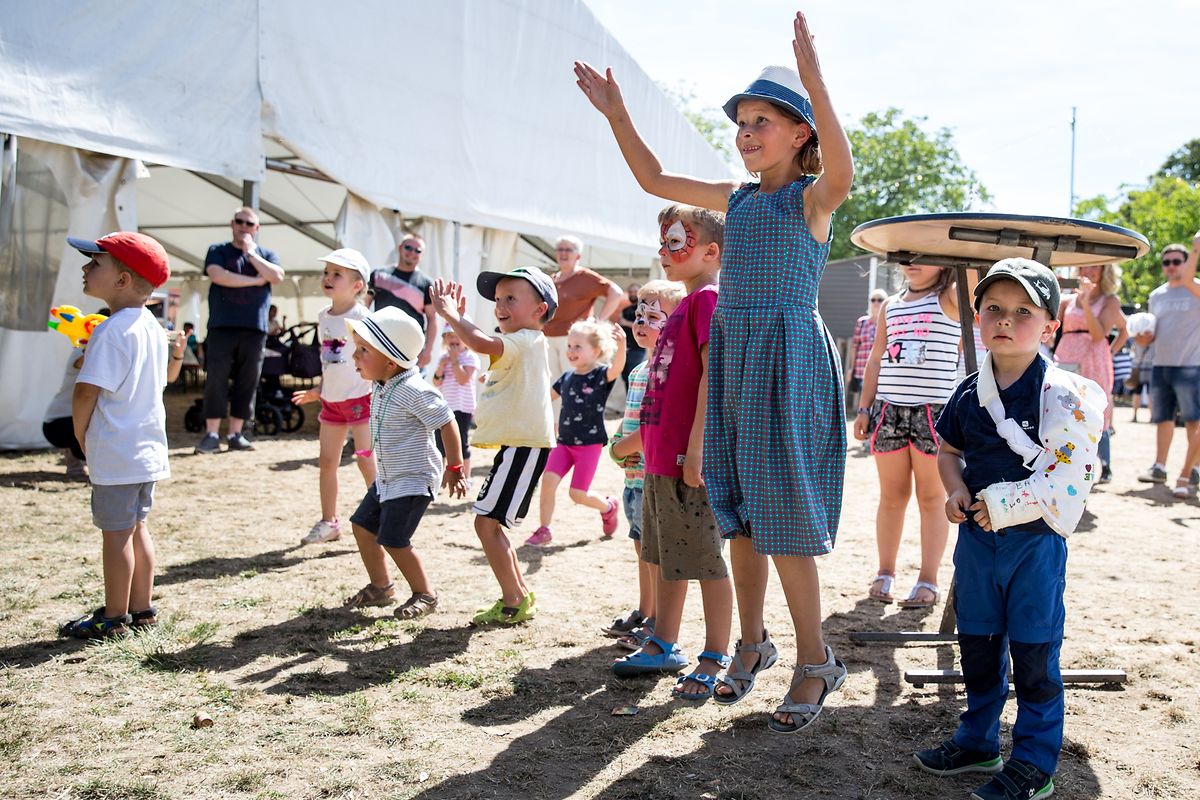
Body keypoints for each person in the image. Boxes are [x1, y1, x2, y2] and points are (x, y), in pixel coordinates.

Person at [577, 13, 854, 730]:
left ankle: (814, 661)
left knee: (785, 518)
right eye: (741, 121)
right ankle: (753, 645)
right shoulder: (735, 199)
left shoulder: (809, 200)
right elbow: (651, 177)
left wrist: (816, 82)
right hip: (733, 360)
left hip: (787, 361)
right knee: (738, 513)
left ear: (801, 134)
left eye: (764, 120)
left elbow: (845, 172)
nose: (746, 131)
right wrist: (618, 115)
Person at [915, 258, 1105, 800]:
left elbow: (1073, 477)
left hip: (1035, 544)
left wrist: (1008, 504)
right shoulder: (967, 391)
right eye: (993, 308)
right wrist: (953, 490)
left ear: (1050, 326)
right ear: (977, 319)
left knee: (1035, 652)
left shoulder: (1067, 396)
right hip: (976, 543)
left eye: (1023, 311)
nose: (1005, 319)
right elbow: (949, 452)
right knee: (977, 642)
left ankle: (1034, 761)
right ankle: (978, 739)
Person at [600, 203, 732, 706]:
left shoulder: (707, 300)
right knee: (668, 557)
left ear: (711, 250)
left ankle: (716, 652)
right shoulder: (684, 304)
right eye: (663, 241)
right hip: (657, 461)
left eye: (676, 241)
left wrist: (696, 446)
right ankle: (663, 641)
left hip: (684, 462)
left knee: (704, 561)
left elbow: (711, 378)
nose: (664, 250)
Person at [58, 232, 185, 638]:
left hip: (115, 451)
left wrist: (81, 437)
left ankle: (113, 618)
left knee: (116, 537)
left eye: (95, 263)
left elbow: (85, 392)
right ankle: (142, 608)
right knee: (138, 528)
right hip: (147, 451)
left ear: (122, 280)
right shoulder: (151, 326)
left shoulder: (111, 331)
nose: (85, 268)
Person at [429, 267, 558, 625]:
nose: (500, 305)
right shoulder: (524, 341)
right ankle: (517, 595)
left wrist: (453, 315)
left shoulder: (525, 339)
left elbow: (482, 343)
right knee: (490, 523)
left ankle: (514, 599)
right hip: (518, 445)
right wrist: (461, 317)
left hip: (524, 446)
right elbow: (486, 343)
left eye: (511, 298)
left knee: (486, 524)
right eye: (497, 299)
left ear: (540, 309)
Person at [339, 306, 467, 617]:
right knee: (361, 526)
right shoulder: (382, 383)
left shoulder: (414, 390)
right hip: (388, 478)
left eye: (363, 350)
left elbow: (447, 421)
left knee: (394, 539)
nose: (355, 357)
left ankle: (426, 593)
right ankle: (382, 587)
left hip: (413, 479)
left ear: (390, 359)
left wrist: (455, 467)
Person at [855, 265, 968, 609]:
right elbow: (876, 358)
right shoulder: (890, 304)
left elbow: (974, 278)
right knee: (892, 496)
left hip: (934, 412)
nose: (912, 261)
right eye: (906, 254)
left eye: (922, 254)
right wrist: (864, 407)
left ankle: (928, 579)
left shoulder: (949, 297)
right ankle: (885, 571)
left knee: (931, 498)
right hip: (889, 410)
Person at [606, 279, 687, 645]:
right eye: (639, 313)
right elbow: (631, 418)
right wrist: (619, 445)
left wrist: (621, 448)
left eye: (653, 316)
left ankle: (657, 622)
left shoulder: (668, 370)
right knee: (641, 547)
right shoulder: (639, 370)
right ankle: (645, 610)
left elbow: (654, 428)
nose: (640, 322)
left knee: (655, 553)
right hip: (634, 479)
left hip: (651, 474)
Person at [290, 249, 377, 545]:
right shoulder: (322, 317)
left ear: (357, 285)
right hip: (332, 403)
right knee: (327, 462)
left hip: (361, 401)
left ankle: (382, 516)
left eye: (336, 274)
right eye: (327, 272)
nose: (328, 278)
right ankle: (329, 522)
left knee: (365, 460)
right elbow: (329, 360)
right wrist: (319, 390)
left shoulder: (364, 317)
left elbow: (373, 358)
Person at [528, 319, 626, 546]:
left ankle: (608, 506)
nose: (570, 351)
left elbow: (617, 368)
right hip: (563, 443)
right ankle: (544, 529)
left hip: (589, 445)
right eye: (569, 346)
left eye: (577, 347)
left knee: (577, 494)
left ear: (595, 351)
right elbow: (543, 398)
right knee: (548, 482)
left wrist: (621, 346)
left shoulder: (601, 375)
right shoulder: (566, 378)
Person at [195, 207, 285, 454]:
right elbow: (218, 275)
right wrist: (256, 280)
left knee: (248, 380)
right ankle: (211, 433)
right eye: (239, 221)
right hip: (222, 326)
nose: (244, 226)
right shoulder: (218, 250)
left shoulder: (265, 254)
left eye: (249, 223)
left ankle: (236, 433)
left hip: (255, 328)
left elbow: (276, 276)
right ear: (232, 223)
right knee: (216, 379)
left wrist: (252, 255)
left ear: (257, 229)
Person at [1137, 236, 1200, 499]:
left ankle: (1193, 469)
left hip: (1191, 365)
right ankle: (1160, 466)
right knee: (1162, 419)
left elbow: (1187, 279)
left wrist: (1196, 246)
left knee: (1193, 421)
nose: (1171, 266)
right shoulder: (1156, 295)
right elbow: (1151, 333)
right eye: (1167, 262)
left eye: (1177, 261)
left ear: (1187, 263)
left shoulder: (1195, 288)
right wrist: (1142, 338)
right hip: (1161, 364)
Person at [1054, 264, 1127, 483]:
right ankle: (1066, 466)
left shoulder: (1110, 301)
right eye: (1086, 265)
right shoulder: (1067, 300)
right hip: (1066, 358)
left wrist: (1110, 352)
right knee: (1063, 411)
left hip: (1093, 360)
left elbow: (1098, 335)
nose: (1089, 270)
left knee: (1094, 413)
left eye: (1096, 266)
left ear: (1105, 271)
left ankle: (1098, 465)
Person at [543, 235, 626, 382]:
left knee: (572, 384)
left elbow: (616, 293)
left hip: (573, 340)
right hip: (547, 338)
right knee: (551, 386)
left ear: (578, 255)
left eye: (568, 249)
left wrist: (598, 320)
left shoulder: (585, 277)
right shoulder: (552, 279)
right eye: (560, 249)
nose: (563, 253)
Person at [369, 233, 439, 368]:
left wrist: (428, 351)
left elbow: (432, 319)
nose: (412, 252)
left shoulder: (426, 284)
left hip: (411, 349)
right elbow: (363, 306)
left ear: (422, 254)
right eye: (408, 247)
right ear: (400, 247)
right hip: (379, 342)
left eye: (417, 250)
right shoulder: (378, 275)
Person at [431, 328, 480, 486]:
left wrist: (454, 360)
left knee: (462, 442)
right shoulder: (443, 357)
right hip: (445, 406)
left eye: (457, 336)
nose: (453, 340)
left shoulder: (470, 357)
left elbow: (463, 379)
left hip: (463, 408)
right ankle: (440, 477)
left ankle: (466, 477)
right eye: (449, 336)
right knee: (440, 443)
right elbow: (436, 382)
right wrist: (440, 366)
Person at [847, 288, 887, 411]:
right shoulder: (862, 322)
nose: (876, 303)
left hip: (880, 370)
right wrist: (851, 368)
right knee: (864, 403)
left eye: (880, 300)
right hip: (861, 369)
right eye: (873, 300)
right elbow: (855, 346)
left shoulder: (887, 321)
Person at [1126, 311, 1156, 423]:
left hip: (1136, 368)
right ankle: (1152, 416)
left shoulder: (1135, 338)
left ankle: (1134, 416)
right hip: (1150, 368)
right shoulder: (1153, 339)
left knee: (1136, 393)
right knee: (1150, 393)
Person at [617, 282, 645, 389]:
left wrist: (625, 323)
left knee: (634, 375)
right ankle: (629, 401)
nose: (633, 294)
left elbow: (643, 325)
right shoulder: (625, 310)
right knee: (625, 377)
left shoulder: (644, 309)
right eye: (630, 292)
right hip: (625, 348)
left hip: (637, 348)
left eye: (635, 291)